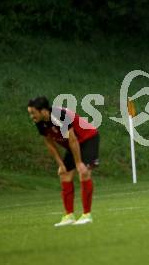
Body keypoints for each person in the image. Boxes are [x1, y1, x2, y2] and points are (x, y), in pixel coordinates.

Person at [27, 96, 99, 226]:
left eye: (33, 113)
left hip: (88, 139)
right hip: (74, 145)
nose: (31, 116)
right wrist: (61, 164)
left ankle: (87, 215)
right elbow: (49, 144)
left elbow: (72, 139)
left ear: (43, 111)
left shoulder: (59, 116)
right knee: (65, 175)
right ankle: (69, 216)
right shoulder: (40, 122)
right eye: (30, 113)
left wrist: (78, 163)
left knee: (84, 172)